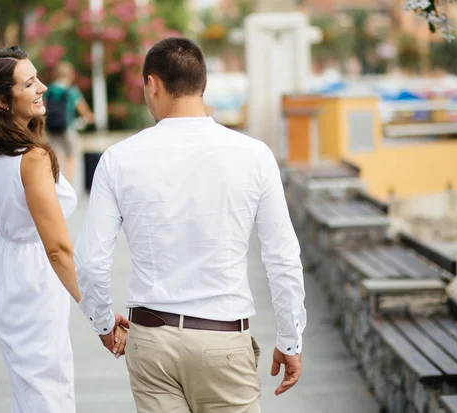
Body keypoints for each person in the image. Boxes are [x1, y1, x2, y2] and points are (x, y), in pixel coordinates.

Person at [75, 37, 307, 413]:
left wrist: (103, 322)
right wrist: (290, 338)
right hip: (223, 341)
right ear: (203, 84)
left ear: (152, 84)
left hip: (151, 340)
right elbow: (282, 256)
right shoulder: (254, 156)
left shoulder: (119, 159)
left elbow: (89, 261)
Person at [0, 46, 127, 413]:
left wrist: (10, 265)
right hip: (36, 278)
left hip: (5, 277)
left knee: (28, 387)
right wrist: (98, 314)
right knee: (49, 390)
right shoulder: (31, 159)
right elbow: (58, 250)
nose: (43, 88)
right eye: (30, 83)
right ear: (4, 102)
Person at [44, 61, 94, 185]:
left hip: (52, 128)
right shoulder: (72, 91)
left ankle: (57, 183)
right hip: (68, 128)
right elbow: (84, 110)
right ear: (70, 75)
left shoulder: (49, 90)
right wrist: (89, 117)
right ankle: (68, 183)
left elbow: (43, 109)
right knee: (71, 156)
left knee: (58, 156)